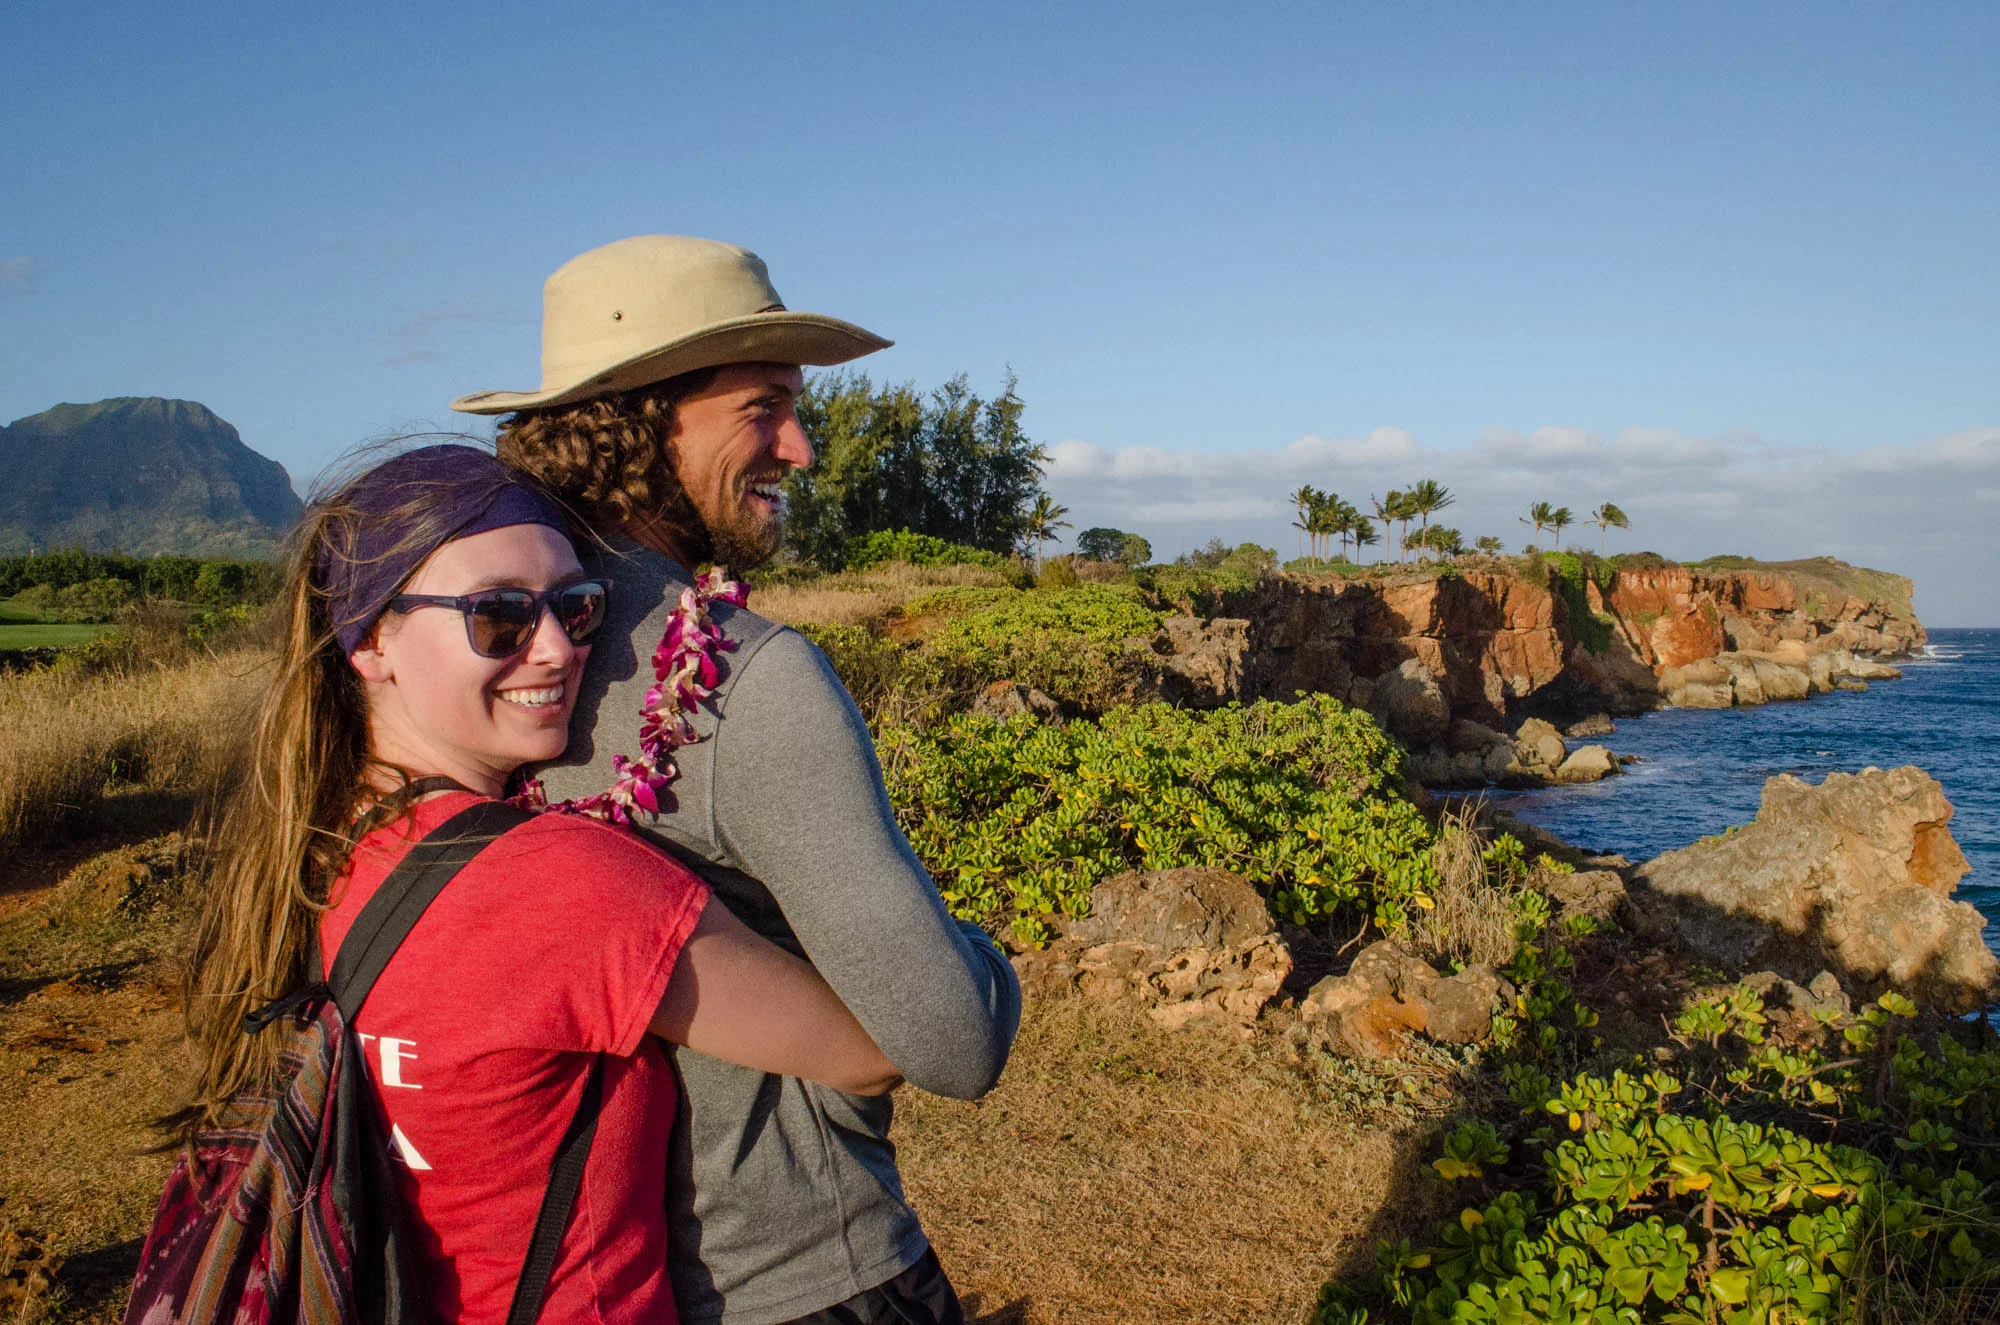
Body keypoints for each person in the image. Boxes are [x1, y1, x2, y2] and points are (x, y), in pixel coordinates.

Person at [171, 444, 900, 1323]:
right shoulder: (565, 887)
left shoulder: (315, 851)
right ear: (371, 640)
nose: (558, 649)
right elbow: (878, 1043)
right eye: (501, 616)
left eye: (578, 606)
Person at [457, 235, 1020, 1324]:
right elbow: (951, 1040)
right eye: (762, 407)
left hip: (571, 1278)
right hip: (803, 1273)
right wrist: (992, 960)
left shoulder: (464, 665)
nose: (801, 448)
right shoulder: (742, 675)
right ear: (634, 415)